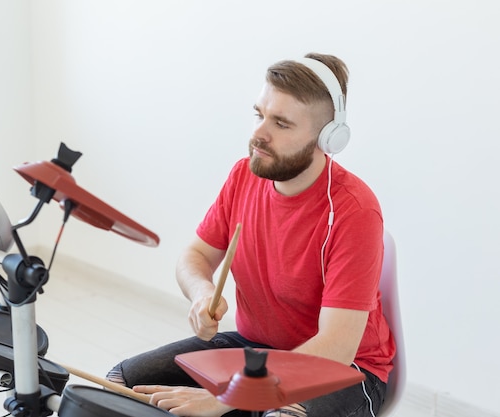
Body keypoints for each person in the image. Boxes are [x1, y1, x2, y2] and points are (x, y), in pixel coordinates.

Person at [106, 52, 396, 417]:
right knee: (120, 384)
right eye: (259, 115)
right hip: (255, 348)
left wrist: (227, 397)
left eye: (282, 124)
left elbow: (336, 347)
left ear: (327, 138)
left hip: (343, 370)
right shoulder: (244, 175)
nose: (259, 133)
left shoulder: (355, 210)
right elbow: (193, 257)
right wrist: (201, 293)